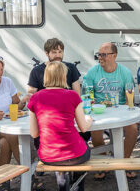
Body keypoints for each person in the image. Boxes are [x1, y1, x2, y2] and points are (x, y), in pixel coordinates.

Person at [28, 61, 94, 191]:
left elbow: (34, 134)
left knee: (60, 162)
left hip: (48, 156)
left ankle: (64, 187)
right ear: (63, 77)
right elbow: (84, 128)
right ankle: (78, 187)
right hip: (75, 154)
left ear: (46, 77)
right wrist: (89, 119)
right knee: (86, 148)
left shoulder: (35, 98)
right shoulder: (73, 95)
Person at [82, 42, 138, 179]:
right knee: (95, 131)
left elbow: (129, 97)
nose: (100, 57)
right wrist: (93, 103)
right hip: (99, 111)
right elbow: (87, 97)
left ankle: (123, 162)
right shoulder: (92, 72)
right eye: (99, 55)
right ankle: (104, 163)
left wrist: (125, 108)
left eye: (103, 55)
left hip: (121, 109)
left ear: (114, 56)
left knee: (133, 129)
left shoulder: (124, 72)